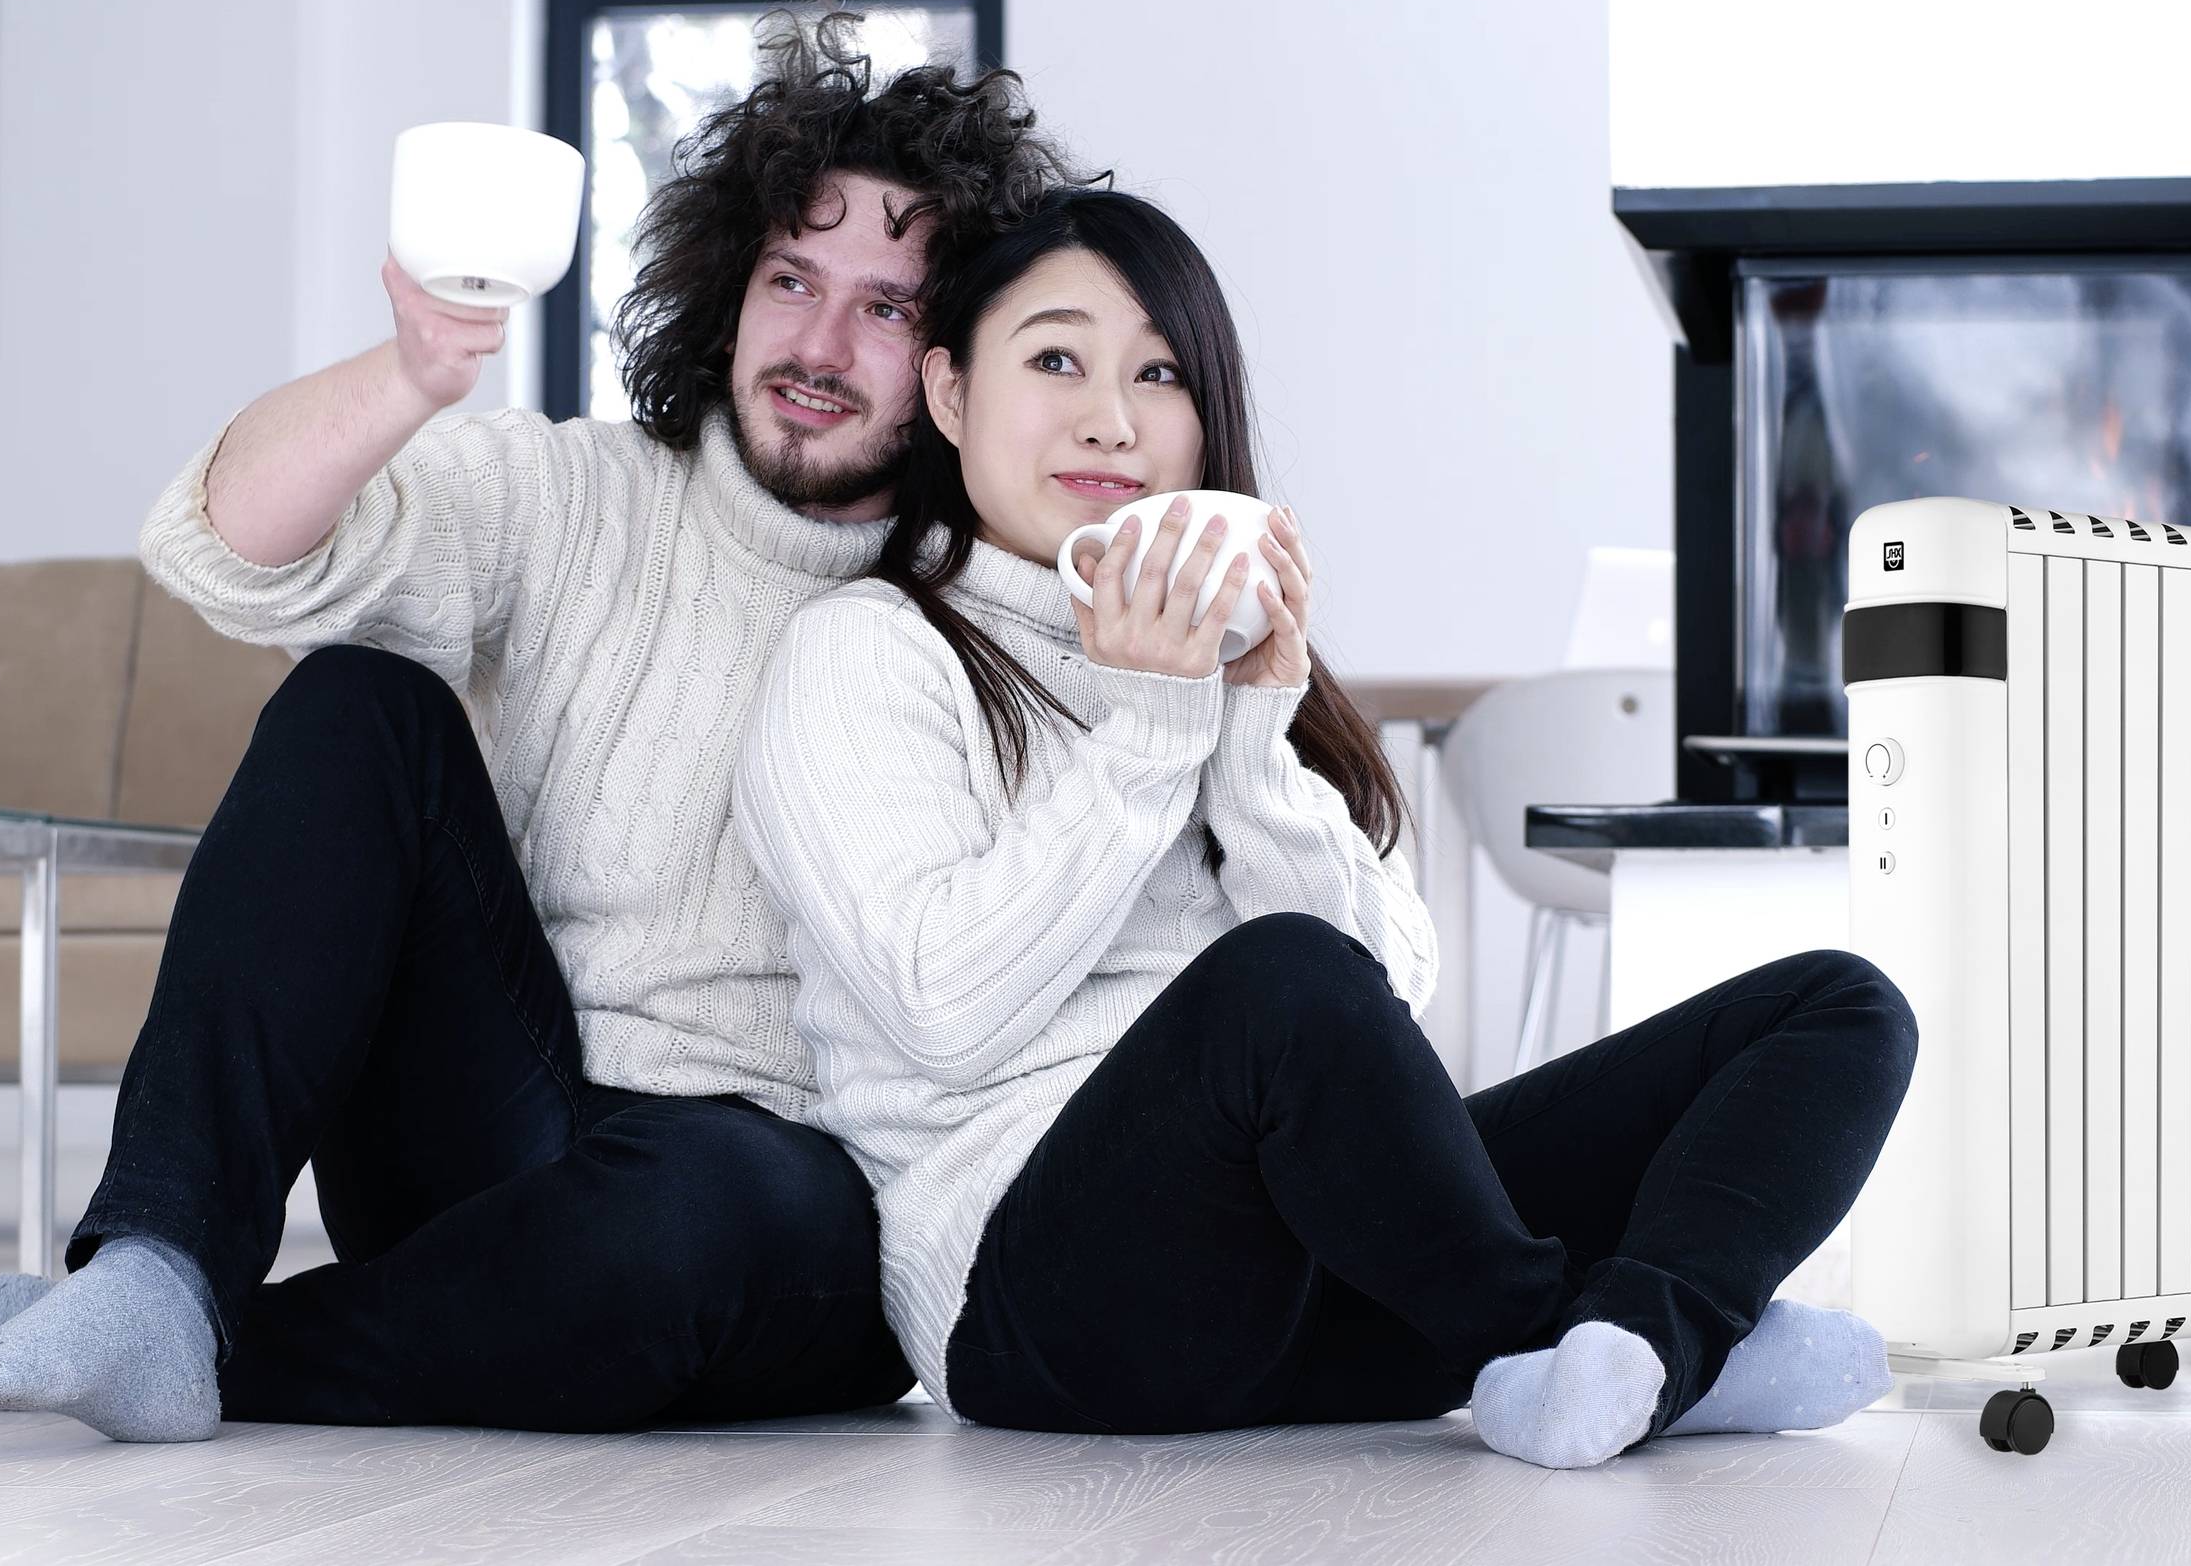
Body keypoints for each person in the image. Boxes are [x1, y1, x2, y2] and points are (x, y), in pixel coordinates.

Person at [0, 11, 1082, 1442]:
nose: (820, 343)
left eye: (888, 306)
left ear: (957, 360)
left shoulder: (988, 613)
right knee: (361, 698)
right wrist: (410, 376)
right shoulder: (579, 493)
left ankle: (206, 1337)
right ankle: (158, 1268)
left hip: (766, 1205)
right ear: (730, 286)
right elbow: (221, 547)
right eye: (790, 278)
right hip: (490, 1133)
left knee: (724, 1202)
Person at [732, 189, 1921, 1469]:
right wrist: (1148, 731)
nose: (1111, 419)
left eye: (1160, 375)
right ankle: (1566, 1336)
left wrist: (1249, 735)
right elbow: (940, 1008)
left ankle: (1642, 1341)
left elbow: (1382, 1013)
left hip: (1335, 1293)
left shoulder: (1226, 676)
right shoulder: (862, 653)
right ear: (953, 393)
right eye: (1057, 360)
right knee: (1277, 979)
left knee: (1839, 1005)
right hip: (1048, 1308)